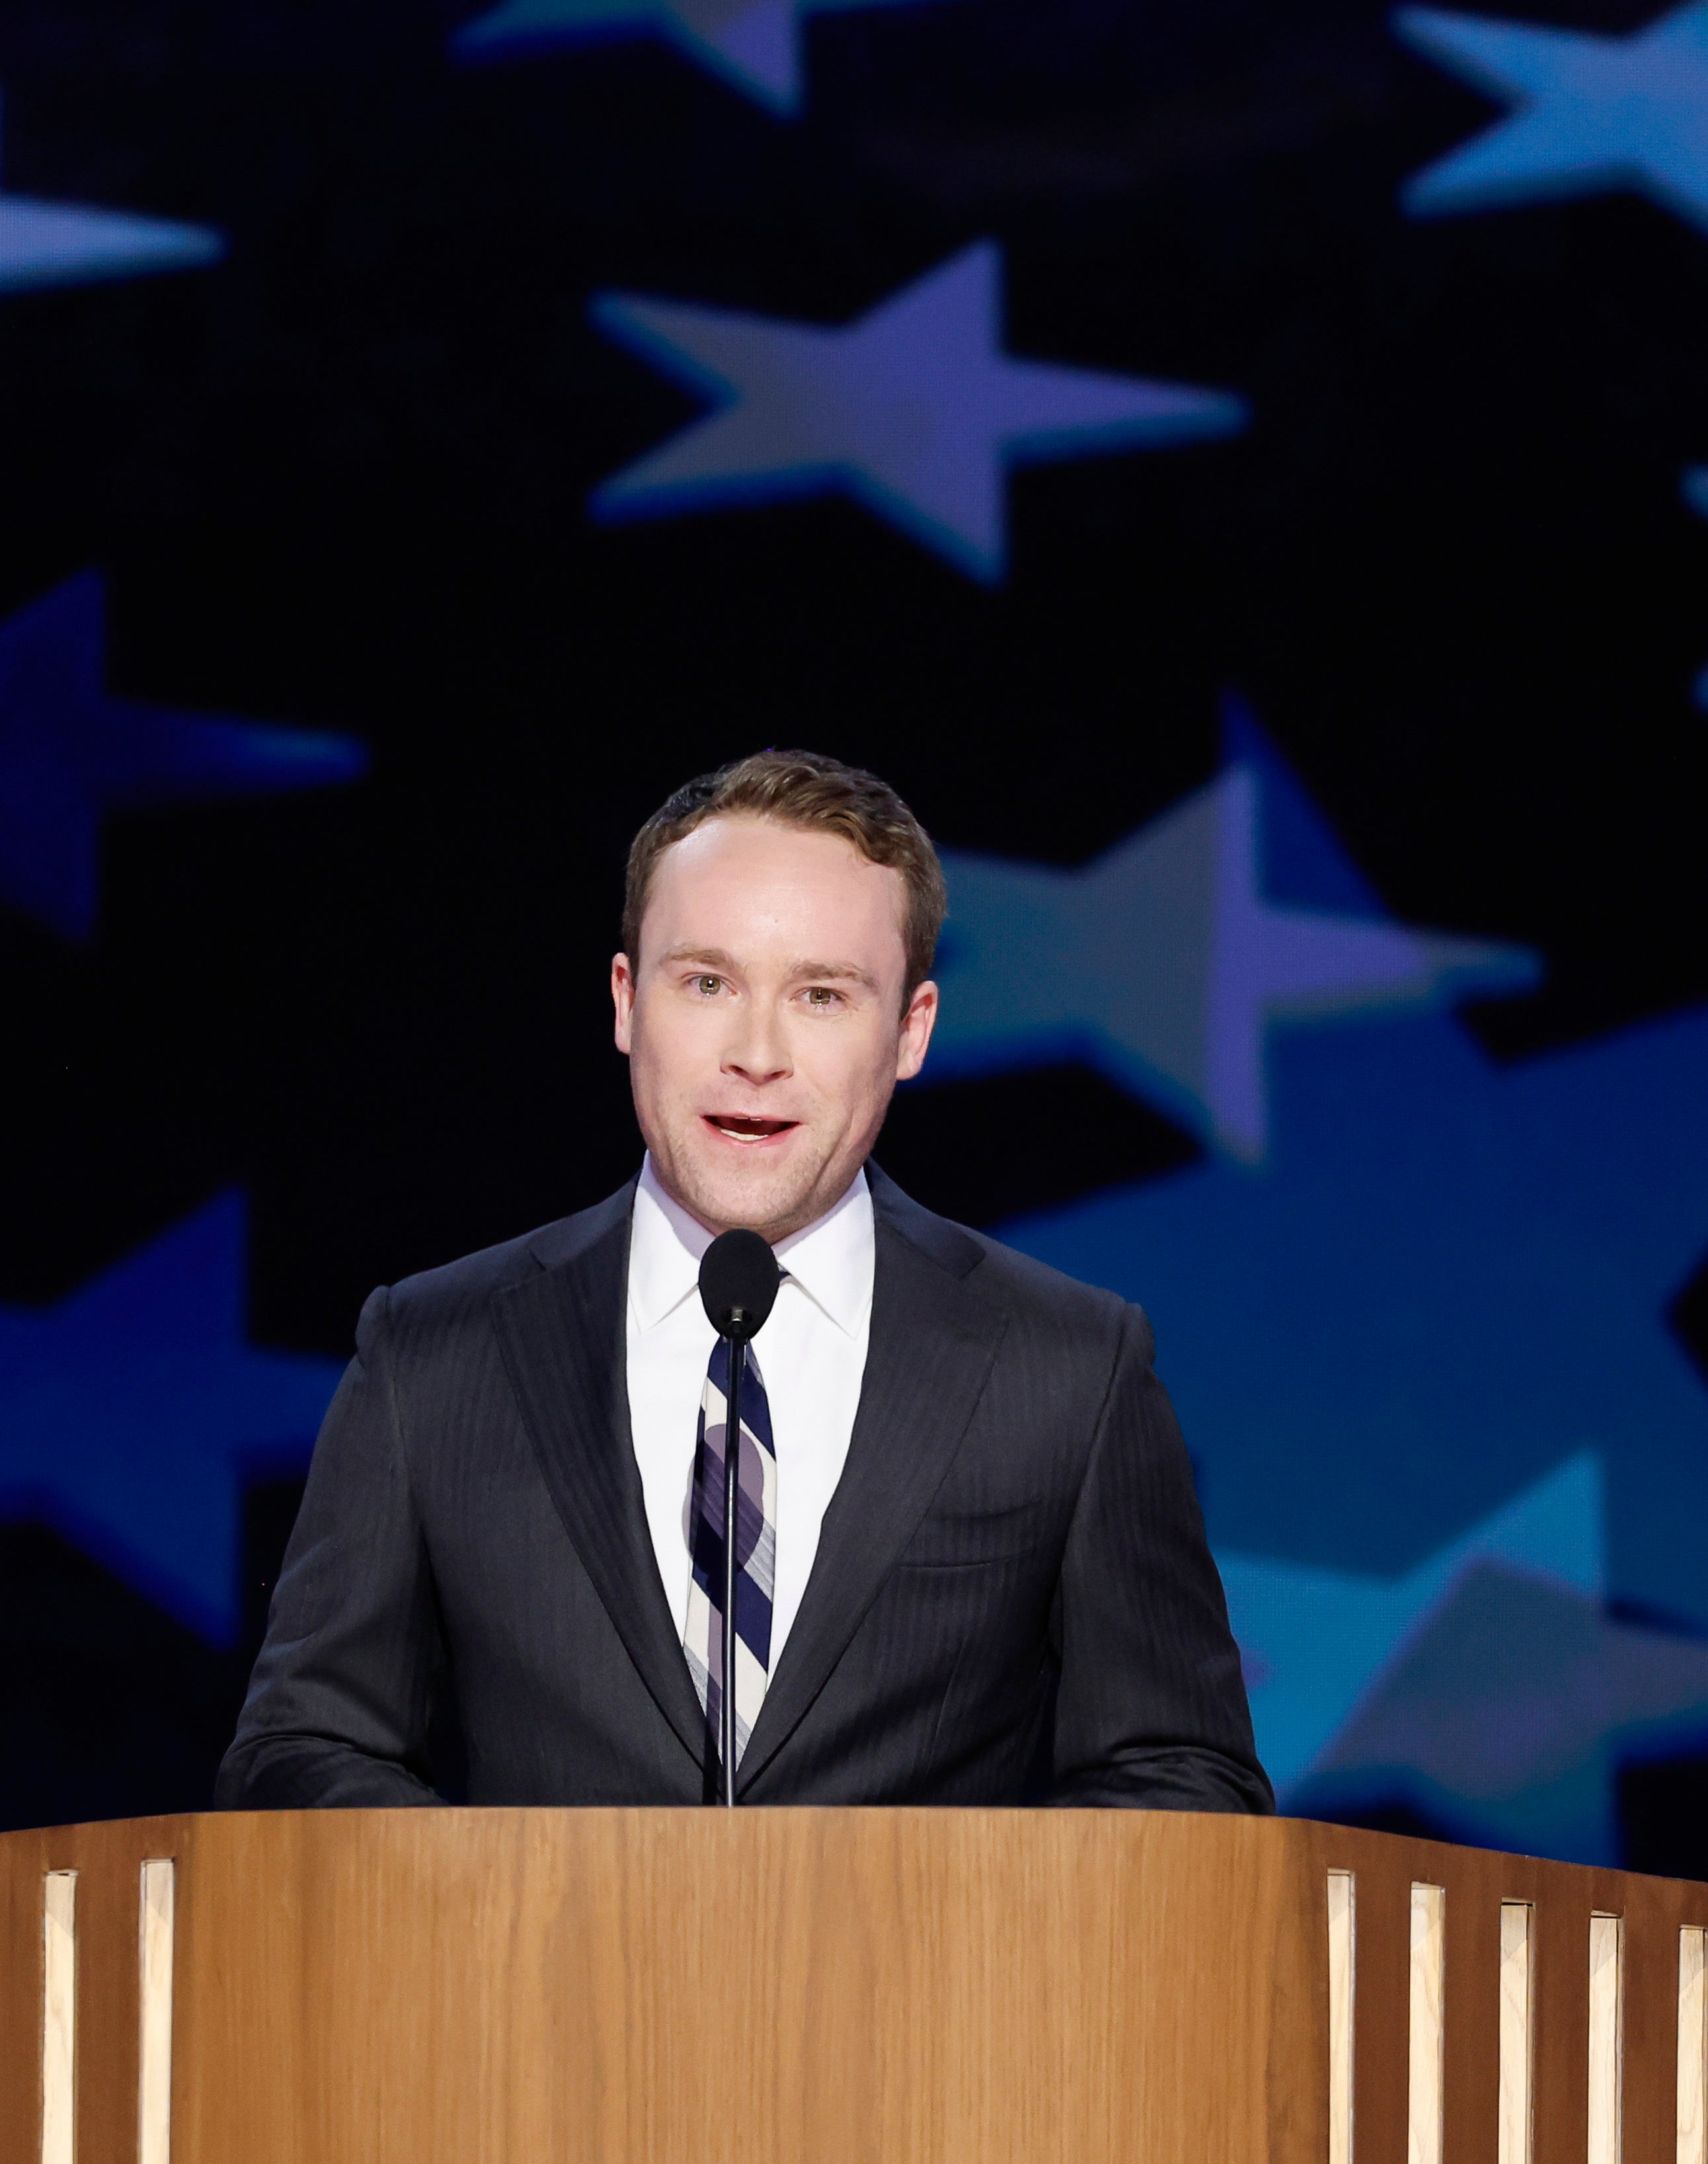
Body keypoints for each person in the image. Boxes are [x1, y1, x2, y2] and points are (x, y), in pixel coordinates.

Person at [218, 751, 1269, 1810]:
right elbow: (300, 1752)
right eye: (708, 982)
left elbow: (1185, 1780)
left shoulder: (1068, 1370)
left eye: (821, 994)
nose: (756, 1052)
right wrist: (512, 1916)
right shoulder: (433, 1353)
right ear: (627, 1001)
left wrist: (955, 1938)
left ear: (911, 1031)